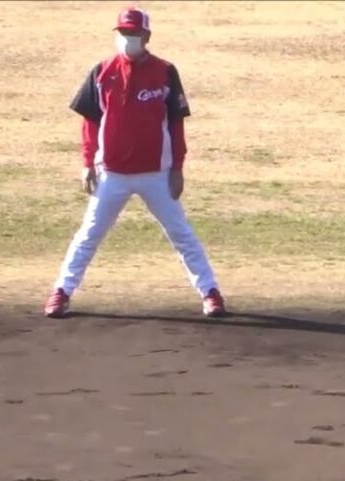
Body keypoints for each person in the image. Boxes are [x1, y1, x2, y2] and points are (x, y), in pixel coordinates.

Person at [43, 6, 227, 319]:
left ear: (147, 36)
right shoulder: (102, 72)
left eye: (134, 33)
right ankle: (61, 292)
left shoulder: (165, 72)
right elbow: (90, 122)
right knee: (88, 235)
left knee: (182, 234)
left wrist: (178, 168)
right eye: (124, 33)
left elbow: (176, 123)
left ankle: (210, 293)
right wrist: (87, 162)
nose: (128, 38)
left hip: (156, 174)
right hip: (112, 174)